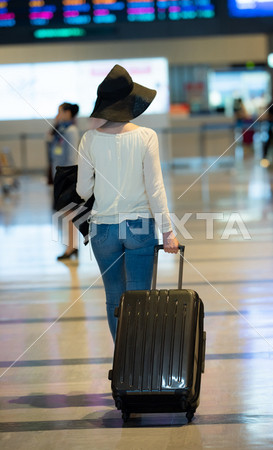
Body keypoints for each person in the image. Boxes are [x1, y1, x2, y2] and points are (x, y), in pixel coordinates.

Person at [76, 65, 179, 341]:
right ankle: (139, 364)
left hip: (103, 231)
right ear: (130, 101)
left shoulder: (88, 140)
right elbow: (155, 188)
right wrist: (168, 231)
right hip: (139, 228)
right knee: (140, 298)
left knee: (114, 298)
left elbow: (83, 190)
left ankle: (122, 362)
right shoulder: (146, 137)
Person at [49, 102, 80, 260]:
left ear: (68, 113)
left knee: (70, 213)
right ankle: (72, 246)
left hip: (67, 175)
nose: (57, 115)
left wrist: (67, 179)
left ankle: (72, 247)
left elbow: (72, 157)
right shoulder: (62, 130)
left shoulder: (72, 130)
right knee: (68, 213)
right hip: (61, 174)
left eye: (60, 111)